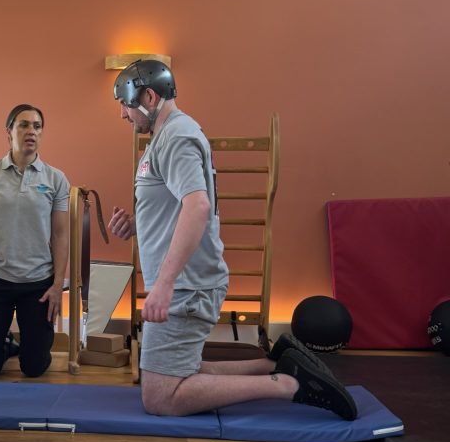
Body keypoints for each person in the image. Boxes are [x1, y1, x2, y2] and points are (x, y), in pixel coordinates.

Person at [109, 60, 357, 420]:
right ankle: (275, 365)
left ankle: (288, 386)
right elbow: (177, 204)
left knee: (160, 397)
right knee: (181, 374)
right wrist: (137, 224)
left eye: (126, 104)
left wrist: (163, 284)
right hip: (187, 284)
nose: (123, 115)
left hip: (185, 288)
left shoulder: (176, 137)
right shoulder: (166, 137)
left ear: (149, 96)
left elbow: (197, 207)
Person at [0, 104, 70, 378]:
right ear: (8, 132)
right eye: (23, 125)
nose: (31, 131)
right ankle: (6, 344)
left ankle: (22, 345)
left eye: (37, 126)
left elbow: (60, 234)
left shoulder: (56, 179)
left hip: (38, 283)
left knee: (34, 369)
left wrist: (57, 285)